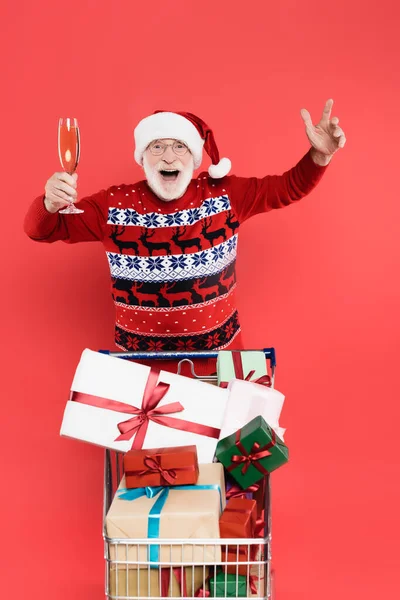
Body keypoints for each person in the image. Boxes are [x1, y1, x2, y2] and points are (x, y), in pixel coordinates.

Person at [24, 100, 346, 363]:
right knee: (152, 447)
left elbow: (288, 188)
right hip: (141, 379)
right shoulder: (113, 205)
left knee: (226, 445)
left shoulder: (225, 195)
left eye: (179, 146)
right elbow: (40, 229)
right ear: (142, 157)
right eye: (158, 146)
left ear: (194, 157)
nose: (168, 156)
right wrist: (49, 203)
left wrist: (320, 155)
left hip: (218, 370)